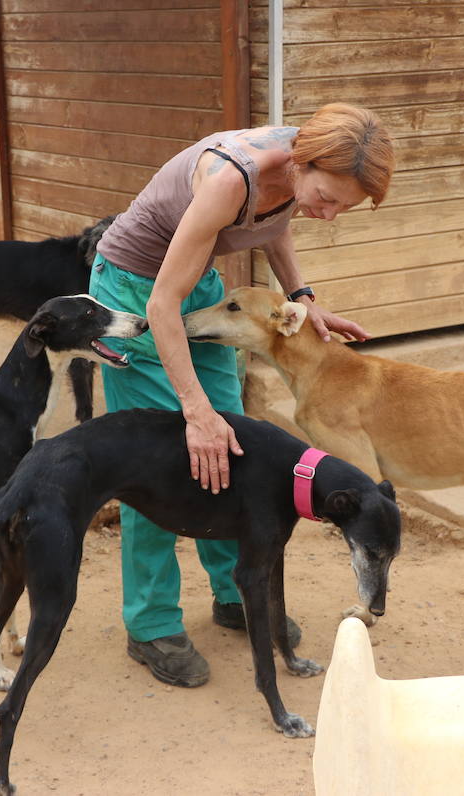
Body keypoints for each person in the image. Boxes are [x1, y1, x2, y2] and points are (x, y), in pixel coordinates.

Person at [88, 102, 394, 687]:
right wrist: (195, 411)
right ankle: (150, 623)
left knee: (234, 449)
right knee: (158, 460)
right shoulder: (230, 178)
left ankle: (234, 592)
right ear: (302, 163)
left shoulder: (301, 166)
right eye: (327, 198)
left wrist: (301, 296)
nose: (327, 215)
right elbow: (160, 307)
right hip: (135, 290)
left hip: (197, 282)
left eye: (342, 209)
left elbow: (276, 221)